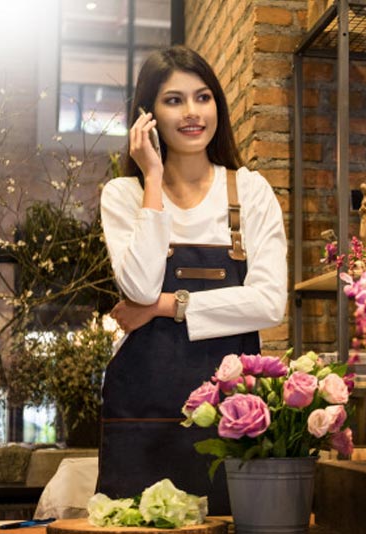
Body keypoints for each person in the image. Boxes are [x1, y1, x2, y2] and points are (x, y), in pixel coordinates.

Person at [97, 45, 287, 515]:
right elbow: (139, 288)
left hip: (232, 413)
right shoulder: (126, 194)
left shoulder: (250, 191)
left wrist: (166, 307)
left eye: (202, 97)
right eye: (173, 100)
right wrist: (154, 178)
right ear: (149, 114)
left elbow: (267, 303)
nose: (192, 113)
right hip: (143, 411)